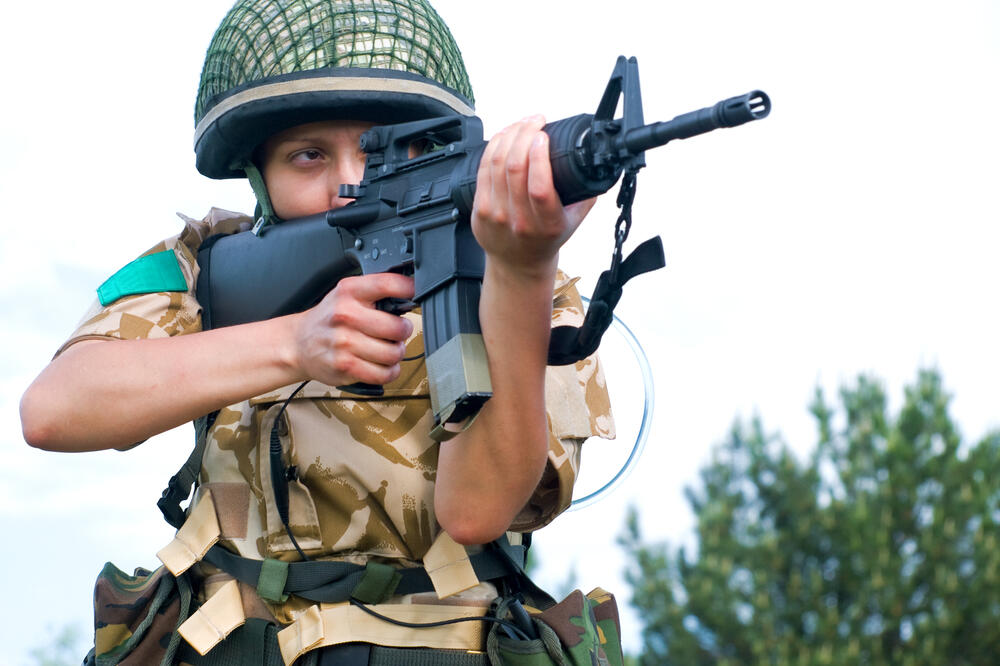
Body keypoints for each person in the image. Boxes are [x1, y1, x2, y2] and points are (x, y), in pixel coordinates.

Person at [20, 0, 617, 663]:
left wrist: (518, 274)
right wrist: (294, 344)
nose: (348, 183)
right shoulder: (199, 268)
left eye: (393, 149)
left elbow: (476, 513)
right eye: (309, 155)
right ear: (258, 173)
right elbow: (53, 411)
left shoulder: (528, 286)